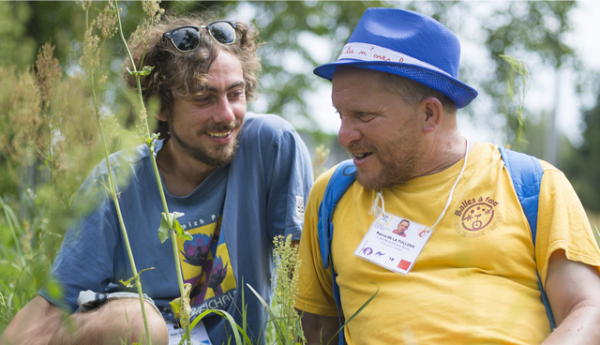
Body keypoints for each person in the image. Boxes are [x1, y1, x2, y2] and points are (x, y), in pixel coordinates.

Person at [3, 13, 313, 345]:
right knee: (140, 324)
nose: (226, 115)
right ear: (160, 107)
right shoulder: (115, 181)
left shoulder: (271, 146)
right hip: (136, 333)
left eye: (235, 94)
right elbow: (48, 313)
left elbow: (309, 283)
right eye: (203, 98)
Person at [295, 8, 600, 345]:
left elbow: (589, 308)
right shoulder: (331, 195)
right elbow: (317, 328)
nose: (343, 135)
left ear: (429, 114)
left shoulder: (534, 184)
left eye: (363, 116)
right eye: (340, 114)